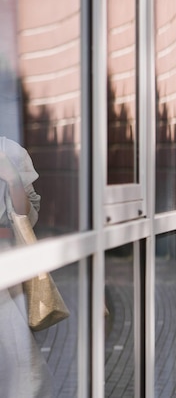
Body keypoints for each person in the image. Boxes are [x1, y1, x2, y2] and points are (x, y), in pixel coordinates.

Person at [0, 136, 54, 398]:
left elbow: (28, 217)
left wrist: (12, 179)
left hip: (4, 267)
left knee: (18, 363)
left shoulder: (9, 150)